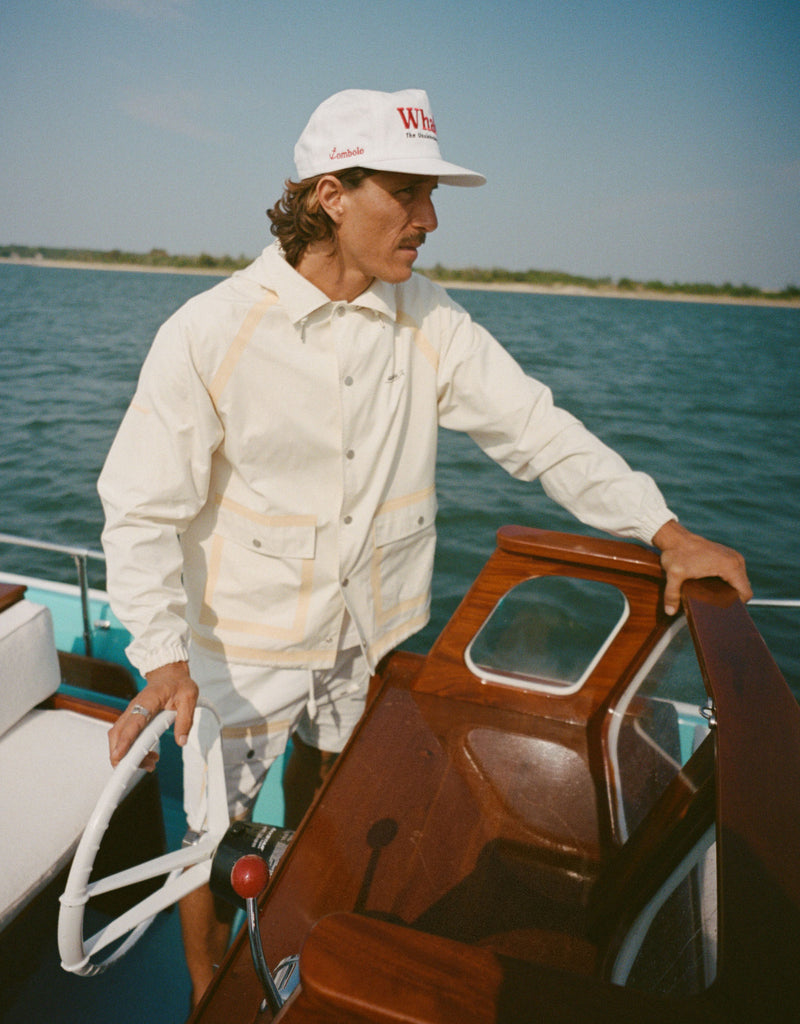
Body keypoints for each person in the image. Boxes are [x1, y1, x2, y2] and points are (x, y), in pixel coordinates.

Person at [98, 87, 751, 1004]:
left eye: (431, 197)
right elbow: (138, 511)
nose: (430, 219)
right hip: (234, 654)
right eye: (407, 193)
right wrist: (162, 655)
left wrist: (662, 527)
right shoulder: (207, 334)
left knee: (333, 775)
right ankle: (211, 989)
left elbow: (536, 429)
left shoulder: (429, 320)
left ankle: (309, 907)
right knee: (211, 829)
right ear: (331, 194)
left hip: (371, 639)